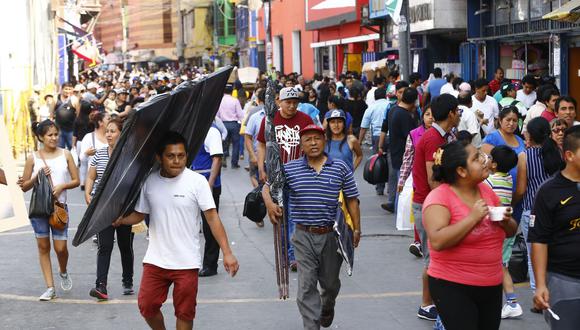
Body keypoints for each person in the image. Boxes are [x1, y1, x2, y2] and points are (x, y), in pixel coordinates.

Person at [112, 131, 239, 330]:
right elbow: (140, 215)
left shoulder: (197, 182)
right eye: (171, 156)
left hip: (186, 262)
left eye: (181, 155)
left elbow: (213, 217)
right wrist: (121, 220)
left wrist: (227, 252)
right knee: (147, 305)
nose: (177, 161)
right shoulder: (150, 182)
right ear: (159, 158)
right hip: (156, 260)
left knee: (185, 312)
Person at [263, 124, 361, 329]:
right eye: (308, 140)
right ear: (301, 145)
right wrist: (270, 204)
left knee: (330, 284)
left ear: (325, 141)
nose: (313, 143)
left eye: (317, 138)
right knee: (306, 284)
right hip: (302, 235)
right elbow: (268, 186)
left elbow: (352, 199)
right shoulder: (290, 169)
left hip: (331, 235)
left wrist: (356, 229)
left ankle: (327, 305)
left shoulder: (340, 167)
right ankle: (311, 325)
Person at [423, 141, 518, 330]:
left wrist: (506, 221)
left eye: (482, 155)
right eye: (476, 158)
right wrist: (472, 218)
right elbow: (438, 240)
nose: (485, 161)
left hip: (491, 283)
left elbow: (511, 231)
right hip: (452, 285)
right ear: (462, 171)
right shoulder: (439, 198)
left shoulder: (487, 192)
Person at [17, 120, 80, 300]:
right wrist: (36, 176)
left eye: (56, 134)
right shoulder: (33, 158)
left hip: (59, 208)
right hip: (39, 209)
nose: (54, 138)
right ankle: (50, 287)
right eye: (50, 135)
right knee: (43, 247)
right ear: (41, 137)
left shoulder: (66, 154)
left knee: (61, 249)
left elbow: (76, 180)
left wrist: (62, 186)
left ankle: (63, 270)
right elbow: (25, 186)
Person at [412, 94, 460, 321]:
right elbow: (433, 179)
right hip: (428, 204)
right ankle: (426, 303)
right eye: (457, 111)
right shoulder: (433, 138)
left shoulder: (445, 136)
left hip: (436, 202)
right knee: (433, 258)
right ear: (451, 113)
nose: (459, 114)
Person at [257, 86, 314, 269]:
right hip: (276, 176)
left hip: (299, 175)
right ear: (278, 102)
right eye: (288, 102)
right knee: (281, 218)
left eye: (295, 103)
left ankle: (293, 255)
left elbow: (313, 144)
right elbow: (262, 145)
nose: (291, 106)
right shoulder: (269, 120)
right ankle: (287, 255)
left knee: (295, 218)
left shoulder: (305, 119)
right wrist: (261, 167)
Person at [529, 125, 580, 329]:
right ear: (569, 155)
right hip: (564, 281)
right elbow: (539, 240)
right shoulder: (548, 191)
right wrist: (541, 284)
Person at [85, 118, 134, 300]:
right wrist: (88, 194)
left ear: (122, 134)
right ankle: (101, 286)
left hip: (123, 209)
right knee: (104, 246)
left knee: (125, 246)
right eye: (107, 131)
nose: (108, 134)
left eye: (113, 131)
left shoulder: (129, 156)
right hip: (102, 208)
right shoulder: (99, 154)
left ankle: (127, 280)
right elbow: (91, 177)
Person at [514, 117, 563, 297]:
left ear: (530, 135)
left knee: (534, 254)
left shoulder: (524, 157)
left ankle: (539, 292)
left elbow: (521, 189)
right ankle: (554, 290)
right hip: (557, 210)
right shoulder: (557, 152)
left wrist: (512, 203)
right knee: (554, 252)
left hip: (532, 211)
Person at [484, 146, 521, 319]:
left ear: (494, 165)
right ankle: (512, 302)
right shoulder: (507, 179)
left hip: (496, 230)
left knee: (496, 267)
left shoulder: (489, 182)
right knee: (503, 266)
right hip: (506, 228)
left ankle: (509, 303)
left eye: (490, 158)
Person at [191, 124, 229, 274]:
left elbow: (217, 159)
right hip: (191, 181)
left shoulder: (211, 132)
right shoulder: (191, 130)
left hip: (207, 183)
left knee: (209, 224)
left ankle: (210, 264)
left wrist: (210, 184)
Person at [398, 105, 434, 257]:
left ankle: (431, 242)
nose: (431, 117)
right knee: (419, 212)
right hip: (419, 181)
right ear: (422, 116)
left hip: (438, 182)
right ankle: (418, 242)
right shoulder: (414, 134)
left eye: (433, 115)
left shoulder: (446, 135)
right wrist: (402, 180)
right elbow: (408, 159)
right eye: (427, 114)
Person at [382, 87, 419, 213]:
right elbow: (411, 136)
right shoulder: (405, 115)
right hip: (403, 155)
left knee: (400, 184)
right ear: (414, 101)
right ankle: (400, 214)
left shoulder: (393, 110)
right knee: (402, 187)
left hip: (395, 152)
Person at [79, 112, 110, 191]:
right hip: (94, 181)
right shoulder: (89, 137)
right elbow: (82, 159)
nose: (111, 121)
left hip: (110, 179)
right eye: (108, 119)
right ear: (100, 123)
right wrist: (86, 153)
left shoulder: (112, 137)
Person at [216, 84, 244, 168]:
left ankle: (224, 157)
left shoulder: (220, 101)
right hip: (234, 124)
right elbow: (240, 114)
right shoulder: (235, 100)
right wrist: (242, 124)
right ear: (232, 91)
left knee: (224, 143)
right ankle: (234, 163)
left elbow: (217, 115)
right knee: (236, 144)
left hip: (223, 124)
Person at [244, 89, 267, 188]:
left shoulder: (279, 115)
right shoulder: (255, 116)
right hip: (257, 155)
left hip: (274, 159)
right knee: (256, 177)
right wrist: (252, 155)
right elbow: (247, 136)